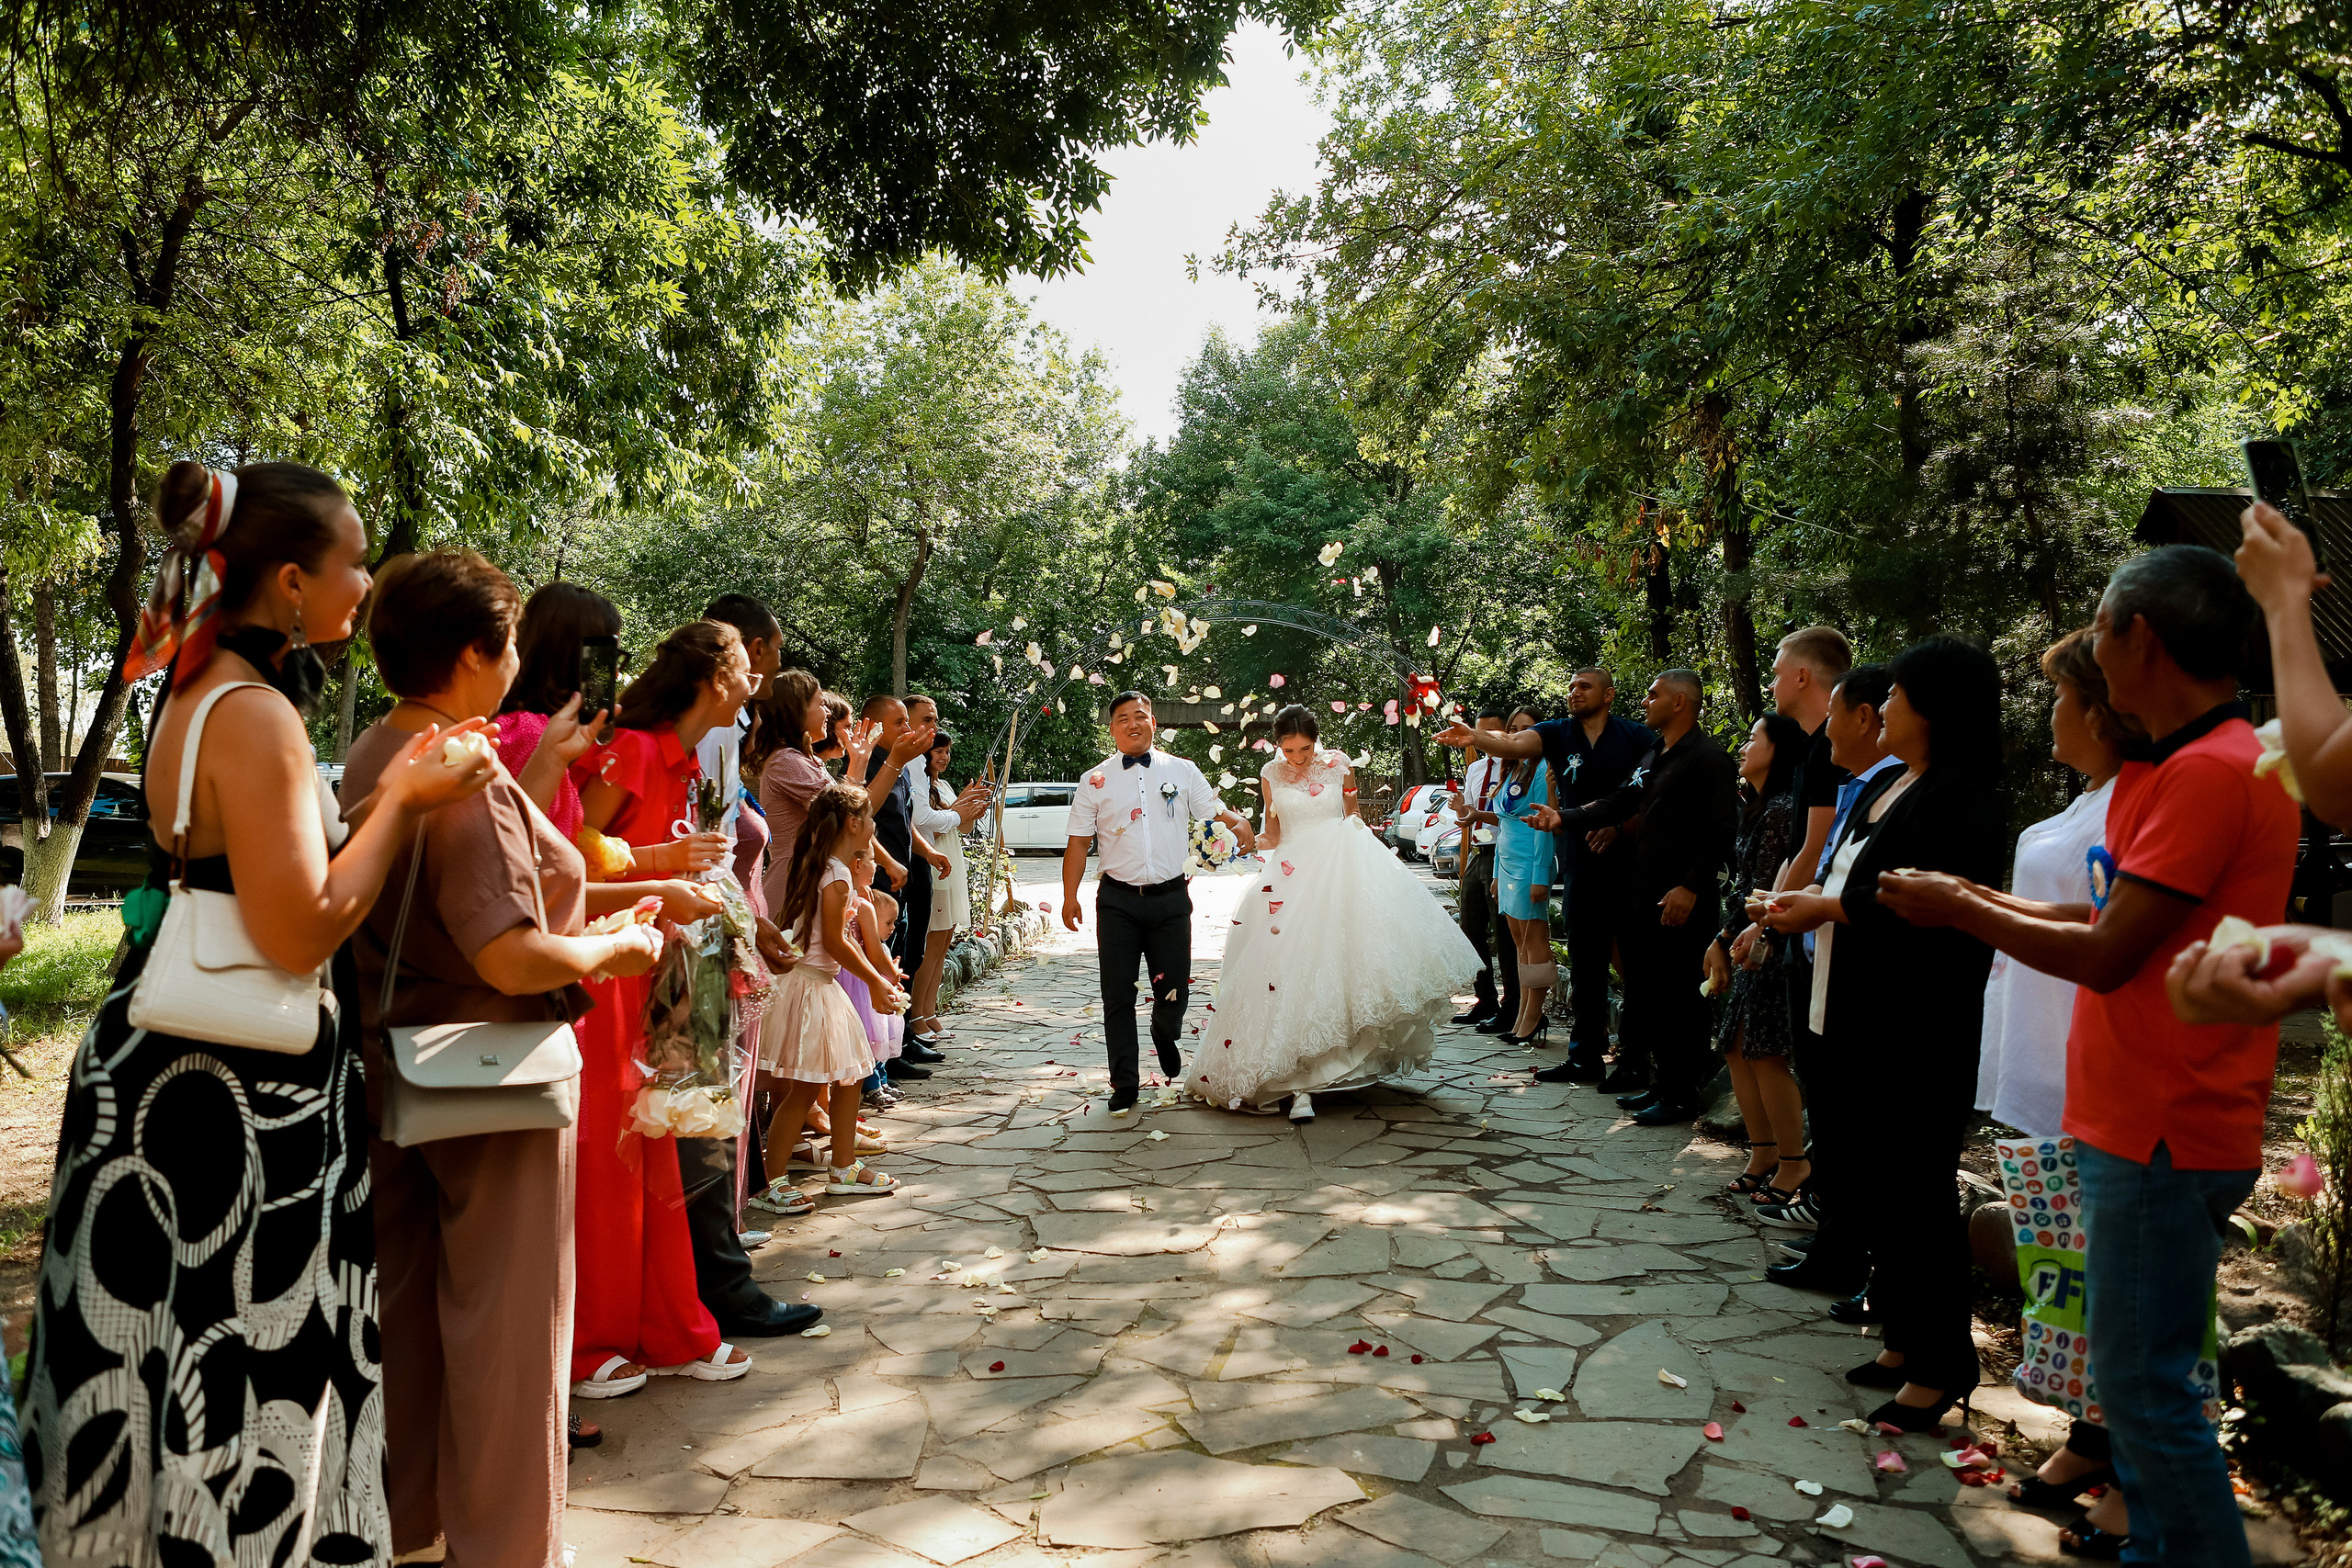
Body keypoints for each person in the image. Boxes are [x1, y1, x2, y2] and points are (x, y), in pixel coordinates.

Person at [28, 460, 495, 1563]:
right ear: (292, 582)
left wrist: (376, 803)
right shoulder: (258, 715)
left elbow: (255, 877)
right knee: (235, 1376)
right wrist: (409, 806)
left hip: (166, 1070)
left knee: (158, 1365)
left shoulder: (196, 695)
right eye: (351, 561)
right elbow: (305, 924)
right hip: (234, 1110)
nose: (365, 579)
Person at [1874, 548, 2297, 1565]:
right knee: (2138, 1382)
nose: (2089, 657)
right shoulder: (2181, 762)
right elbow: (2114, 911)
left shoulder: (2208, 771)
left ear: (2138, 638)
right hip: (2137, 1111)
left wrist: (1958, 910)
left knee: (2144, 1391)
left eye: (2099, 631)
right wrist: (1973, 898)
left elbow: (2107, 954)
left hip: (2163, 1118)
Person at [349, 550, 677, 1568]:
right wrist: (614, 950)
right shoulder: (464, 765)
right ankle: (507, 1547)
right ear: (473, 655)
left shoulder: (376, 752)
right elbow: (510, 947)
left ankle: (410, 1526)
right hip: (496, 1066)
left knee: (404, 1310)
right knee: (509, 1325)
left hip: (391, 1058)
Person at [1762, 636, 2008, 1432]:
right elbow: (1850, 872)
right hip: (1853, 1011)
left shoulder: (1964, 796)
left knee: (1919, 1195)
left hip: (1917, 1025)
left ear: (1934, 708)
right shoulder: (1898, 785)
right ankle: (1905, 1339)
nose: (1886, 706)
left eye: (1899, 694)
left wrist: (1829, 908)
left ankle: (1944, 1360)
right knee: (1882, 1188)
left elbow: (1916, 901)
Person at [1969, 629, 2135, 1543]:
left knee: (2119, 1281)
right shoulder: (2083, 802)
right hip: (2033, 1067)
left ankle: (2131, 1469)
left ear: (2099, 710)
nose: (2049, 713)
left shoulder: (2135, 808)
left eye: (2059, 697)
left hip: (2094, 1072)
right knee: (2064, 1273)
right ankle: (2087, 1435)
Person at [569, 621, 761, 1397]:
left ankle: (668, 1325)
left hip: (675, 971)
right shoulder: (639, 749)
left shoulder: (683, 761)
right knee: (622, 1154)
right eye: (747, 666)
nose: (754, 683)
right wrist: (656, 867)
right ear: (716, 676)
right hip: (617, 973)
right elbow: (568, 846)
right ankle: (596, 1340)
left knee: (668, 1152)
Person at [1185, 704, 1481, 1121]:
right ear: (1278, 745)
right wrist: (1231, 846)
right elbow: (1273, 834)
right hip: (1288, 877)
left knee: (1336, 964)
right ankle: (1292, 1074)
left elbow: (1354, 815)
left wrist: (1360, 847)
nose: (1297, 758)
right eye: (1288, 750)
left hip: (1337, 869)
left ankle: (1326, 1071)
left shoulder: (1339, 765)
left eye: (1304, 748)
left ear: (1315, 739)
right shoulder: (1271, 775)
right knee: (1285, 969)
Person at [1433, 666, 1654, 1084]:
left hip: (1628, 866)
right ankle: (1584, 1058)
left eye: (1584, 687)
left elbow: (1653, 794)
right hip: (1580, 865)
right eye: (1570, 687)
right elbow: (1515, 741)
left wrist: (1620, 827)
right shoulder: (1558, 733)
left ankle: (1636, 1061)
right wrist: (1475, 736)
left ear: (1608, 694)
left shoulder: (1636, 737)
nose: (1574, 693)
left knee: (1631, 961)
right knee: (1587, 964)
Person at [1757, 664, 1900, 1273]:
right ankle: (1836, 1244)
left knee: (1861, 1132)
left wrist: (1803, 906)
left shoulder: (1912, 790)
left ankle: (1855, 1255)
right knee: (1836, 1122)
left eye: (1898, 704)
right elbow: (1830, 864)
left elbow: (1879, 892)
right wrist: (1782, 905)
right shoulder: (1861, 782)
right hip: (1823, 966)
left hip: (1866, 985)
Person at [1548, 671, 1737, 1123]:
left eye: (1653, 694)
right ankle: (1664, 1084)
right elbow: (1621, 800)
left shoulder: (1707, 758)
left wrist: (1691, 886)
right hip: (1648, 893)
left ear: (1678, 702)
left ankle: (1682, 1094)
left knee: (1681, 998)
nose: (1645, 701)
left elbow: (1719, 830)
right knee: (1654, 991)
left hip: (1682, 897)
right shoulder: (1655, 753)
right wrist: (1564, 817)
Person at [1061, 691, 1260, 1113]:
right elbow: (1078, 844)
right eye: (1122, 719)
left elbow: (1213, 811)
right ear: (1111, 728)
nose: (1132, 724)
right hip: (1117, 901)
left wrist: (1238, 820)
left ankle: (1164, 1032)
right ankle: (1125, 1083)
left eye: (1140, 716)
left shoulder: (1182, 771)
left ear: (1153, 722)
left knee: (1174, 989)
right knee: (1117, 994)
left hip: (1170, 900)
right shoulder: (1094, 780)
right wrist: (1068, 897)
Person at [760, 782, 904, 1198]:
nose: (875, 826)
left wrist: (880, 973)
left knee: (852, 1075)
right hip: (812, 986)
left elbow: (841, 941)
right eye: (871, 819)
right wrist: (875, 980)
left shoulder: (829, 868)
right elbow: (839, 942)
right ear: (854, 824)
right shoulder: (837, 876)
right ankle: (774, 1182)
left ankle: (843, 1166)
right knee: (807, 1087)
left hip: (817, 982)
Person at [1702, 712, 1807, 1202]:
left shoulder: (1784, 809)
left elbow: (1763, 888)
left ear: (1779, 750)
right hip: (1744, 938)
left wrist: (1728, 938)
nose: (1743, 747)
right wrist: (1724, 938)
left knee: (1763, 1052)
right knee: (1737, 1046)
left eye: (1752, 739)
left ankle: (1793, 1162)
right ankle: (1763, 1151)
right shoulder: (1759, 806)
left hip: (1768, 942)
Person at [497, 582, 625, 837]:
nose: (616, 673)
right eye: (608, 659)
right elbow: (518, 851)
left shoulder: (537, 728)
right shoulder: (530, 734)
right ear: (576, 659)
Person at [909, 730, 986, 1042]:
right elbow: (931, 825)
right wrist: (955, 813)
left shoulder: (943, 786)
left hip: (952, 864)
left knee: (943, 943)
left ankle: (930, 1012)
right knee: (930, 944)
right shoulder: (918, 788)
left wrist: (968, 804)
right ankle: (917, 1016)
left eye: (947, 752)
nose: (943, 757)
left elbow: (962, 826)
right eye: (938, 751)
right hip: (933, 865)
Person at [1491, 706, 1559, 1043]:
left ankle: (1534, 1014)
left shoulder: (1544, 769)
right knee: (1520, 946)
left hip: (1530, 866)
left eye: (1527, 729)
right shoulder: (1512, 769)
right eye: (1513, 728)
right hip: (1505, 865)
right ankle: (1523, 1011)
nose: (1518, 734)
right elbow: (1503, 824)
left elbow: (1543, 829)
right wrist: (1494, 873)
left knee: (1535, 943)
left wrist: (1540, 876)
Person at [1448, 707, 1511, 1026]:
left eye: (1492, 733)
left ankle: (1512, 1004)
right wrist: (1462, 809)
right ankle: (1485, 999)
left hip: (1504, 854)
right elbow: (1468, 816)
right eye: (1479, 732)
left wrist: (1476, 815)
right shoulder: (1475, 769)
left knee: (1503, 934)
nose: (1484, 739)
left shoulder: (1515, 767)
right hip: (1477, 853)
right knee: (1470, 928)